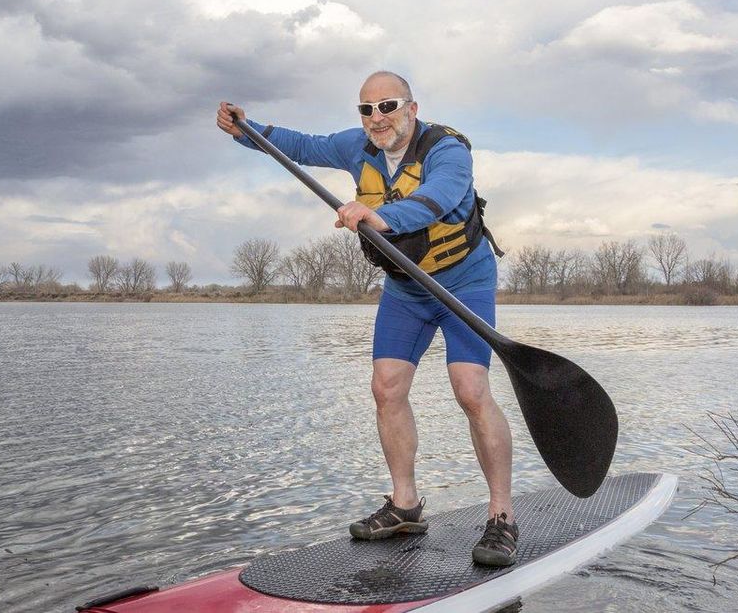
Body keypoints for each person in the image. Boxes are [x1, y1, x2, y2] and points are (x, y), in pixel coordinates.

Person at [215, 71, 518, 567]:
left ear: (412, 109)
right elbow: (301, 145)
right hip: (406, 289)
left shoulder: (448, 150)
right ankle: (405, 504)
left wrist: (380, 217)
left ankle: (502, 516)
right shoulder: (358, 146)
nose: (377, 117)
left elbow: (437, 198)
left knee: (470, 388)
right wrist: (247, 130)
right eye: (367, 109)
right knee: (387, 386)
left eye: (388, 106)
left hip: (462, 283)